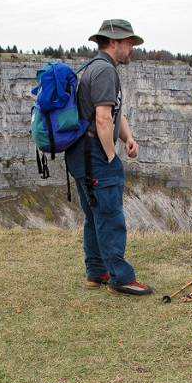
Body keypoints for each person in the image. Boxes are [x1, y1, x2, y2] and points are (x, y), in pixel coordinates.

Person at [65, 19, 154, 296]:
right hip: (95, 154)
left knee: (94, 215)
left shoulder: (95, 68)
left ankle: (97, 271)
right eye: (129, 43)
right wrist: (111, 155)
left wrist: (127, 137)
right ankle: (121, 278)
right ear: (113, 42)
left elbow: (114, 113)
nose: (132, 49)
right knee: (110, 215)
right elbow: (103, 119)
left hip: (81, 154)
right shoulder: (105, 71)